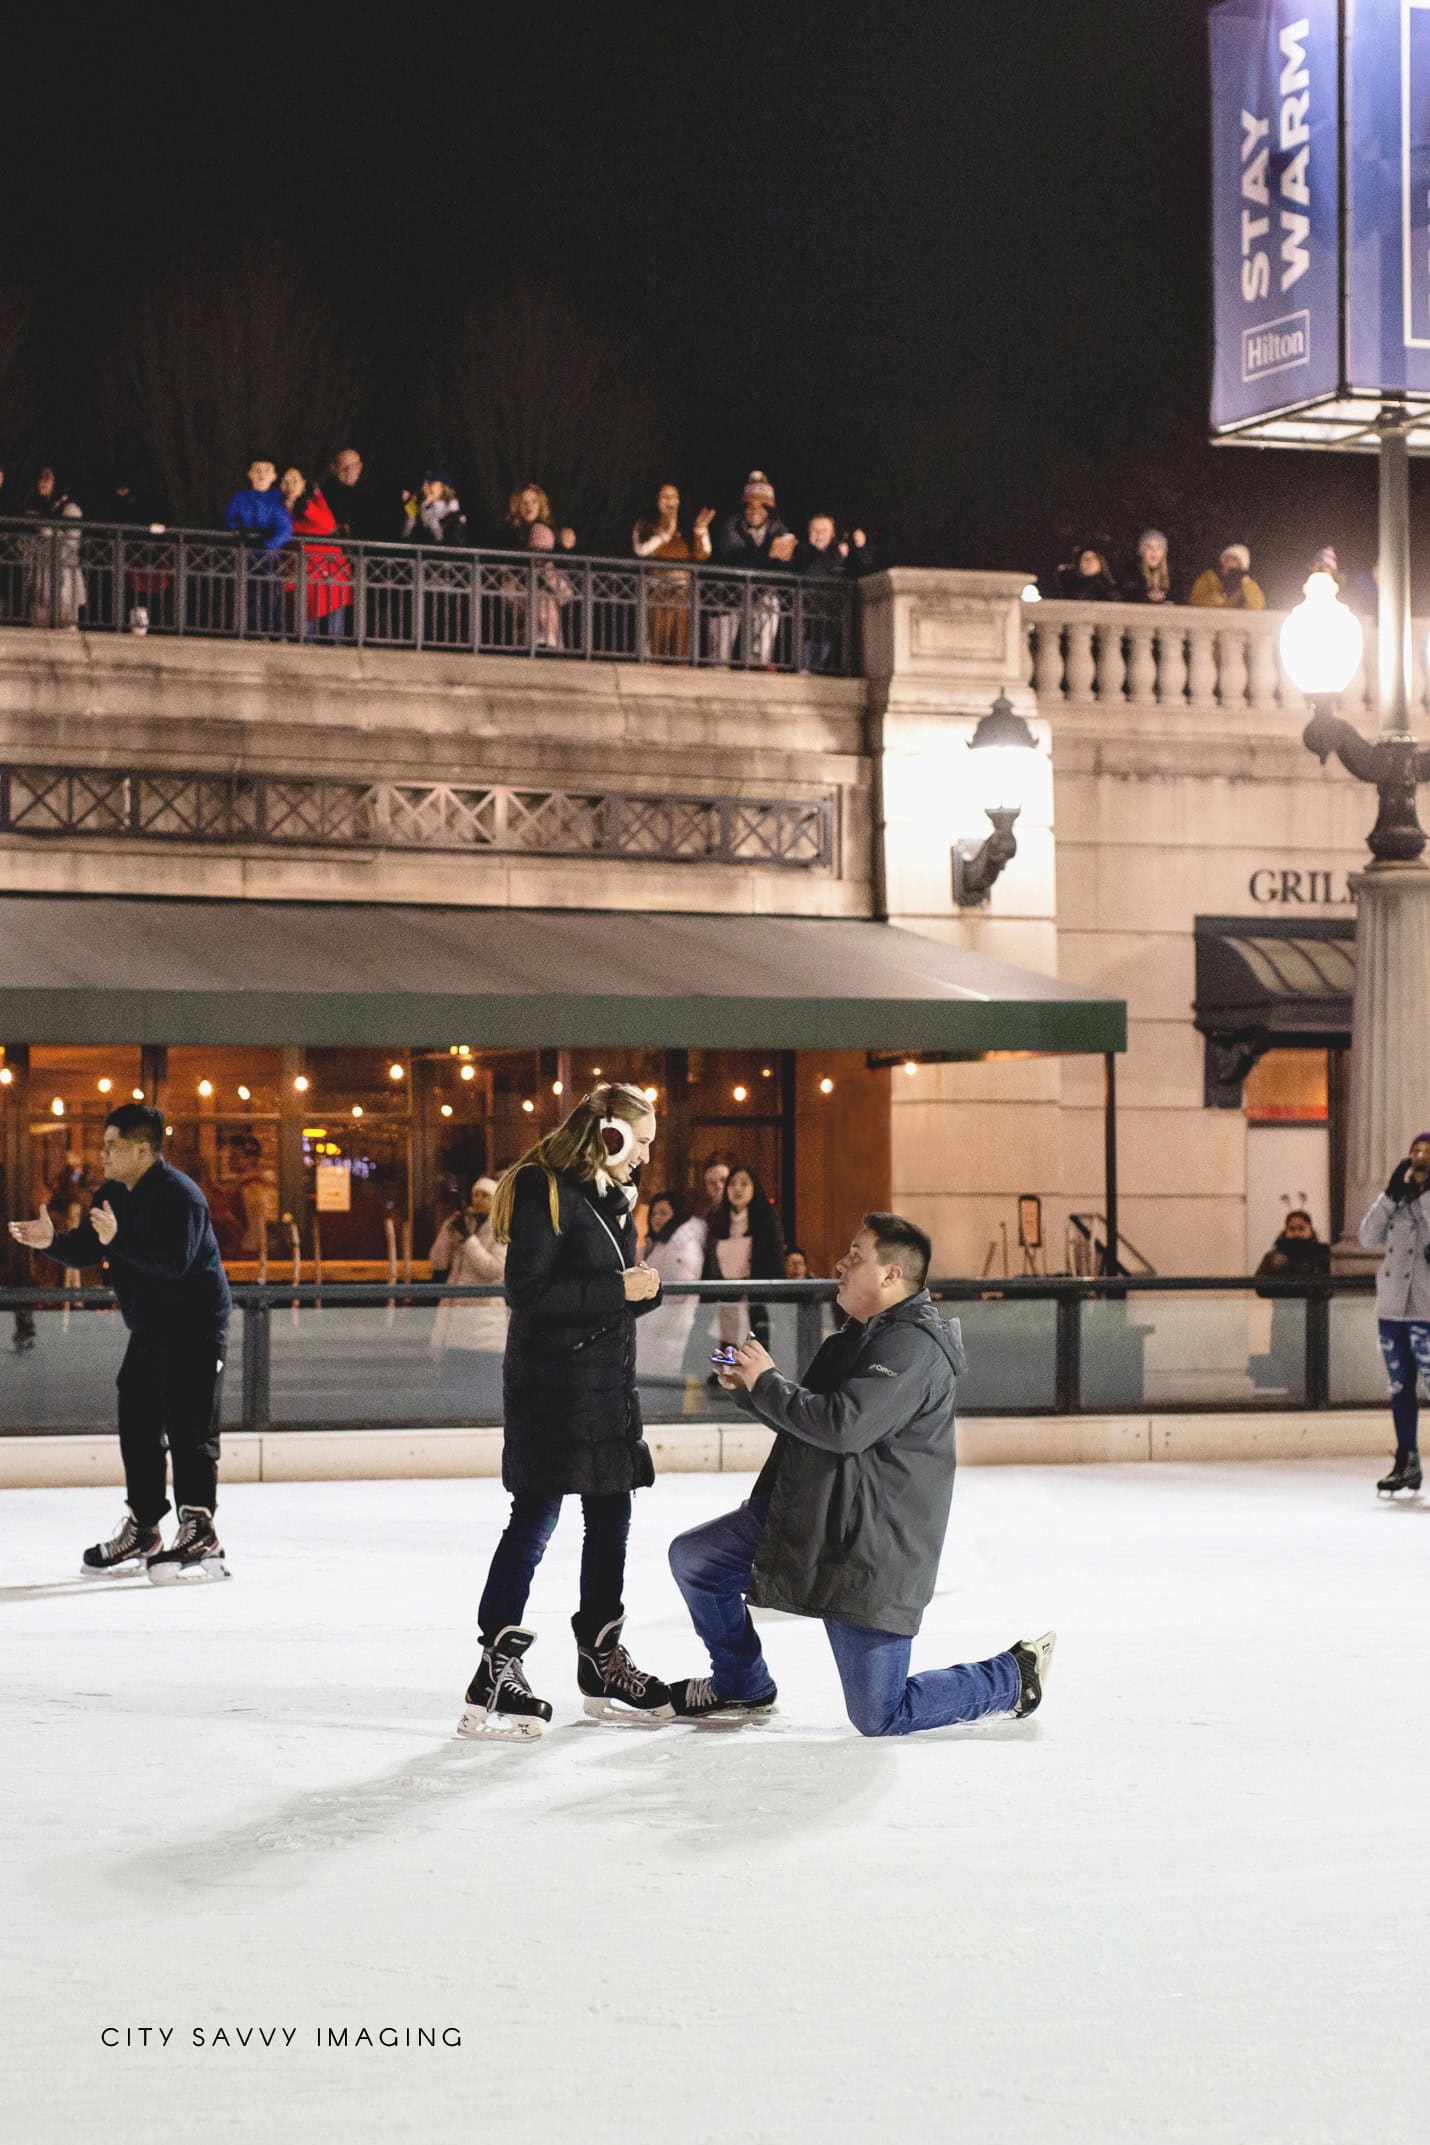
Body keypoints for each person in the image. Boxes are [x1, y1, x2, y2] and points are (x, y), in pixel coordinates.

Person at [665, 1212, 1054, 1729]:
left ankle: (1010, 1677)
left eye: (856, 1256)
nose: (841, 1265)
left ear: (892, 1275)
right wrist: (751, 1389)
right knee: (697, 1560)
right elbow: (817, 1421)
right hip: (814, 1513)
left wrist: (768, 1383)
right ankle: (742, 1683)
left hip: (868, 1544)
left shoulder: (914, 1347)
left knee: (879, 1714)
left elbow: (844, 1426)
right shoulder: (857, 1338)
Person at [457, 1083, 673, 1737]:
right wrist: (617, 1287)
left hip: (604, 1387)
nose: (642, 1159)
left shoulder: (609, 1199)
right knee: (536, 1518)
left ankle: (601, 1658)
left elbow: (595, 1293)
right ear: (608, 1135)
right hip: (554, 1390)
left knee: (612, 1513)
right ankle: (493, 1670)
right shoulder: (547, 1191)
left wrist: (635, 1293)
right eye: (639, 1143)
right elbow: (527, 1290)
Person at [8, 1102, 233, 1581]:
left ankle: (200, 1528)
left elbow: (175, 1263)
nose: (103, 1154)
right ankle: (145, 1526)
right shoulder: (113, 1193)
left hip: (196, 1328)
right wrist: (51, 1243)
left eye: (113, 1146)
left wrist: (119, 1240)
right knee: (138, 1420)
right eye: (104, 1144)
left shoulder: (182, 1197)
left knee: (189, 1426)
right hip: (151, 1328)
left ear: (143, 1150)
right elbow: (92, 1248)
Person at [1358, 1136, 1430, 1497]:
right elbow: (1367, 1238)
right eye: (1416, 1153)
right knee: (1400, 1386)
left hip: (1427, 1308)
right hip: (1392, 1309)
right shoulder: (1397, 1203)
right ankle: (1407, 1461)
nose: (1420, 1160)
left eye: (1427, 1154)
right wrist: (1389, 1195)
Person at [430, 1177, 507, 1419]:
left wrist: (469, 1241)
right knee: (457, 1392)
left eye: (485, 1195)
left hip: (485, 1330)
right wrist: (448, 1232)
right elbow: (438, 1261)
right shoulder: (464, 1225)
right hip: (456, 1326)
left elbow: (494, 1270)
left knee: (484, 1392)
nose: (479, 1200)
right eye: (476, 1194)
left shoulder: (501, 1230)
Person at [709, 471, 797, 665]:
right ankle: (718, 667)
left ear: (769, 510)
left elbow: (786, 567)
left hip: (760, 592)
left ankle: (759, 659)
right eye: (750, 506)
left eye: (761, 507)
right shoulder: (731, 527)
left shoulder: (778, 529)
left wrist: (786, 555)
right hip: (728, 594)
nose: (754, 511)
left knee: (771, 604)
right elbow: (735, 558)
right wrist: (769, 554)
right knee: (719, 656)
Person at [702, 1163, 786, 1355]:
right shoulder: (717, 1221)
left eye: (744, 1183)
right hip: (723, 1305)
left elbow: (774, 1266)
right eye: (733, 1184)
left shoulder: (767, 1221)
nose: (737, 1189)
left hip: (757, 1305)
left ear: (754, 1188)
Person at [1251, 1209, 1329, 1394]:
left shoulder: (1322, 1255)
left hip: (1315, 1319)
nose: (1296, 1233)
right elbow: (1261, 1286)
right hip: (1285, 1319)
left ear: (1310, 1229)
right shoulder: (1275, 1257)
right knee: (1288, 1359)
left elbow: (1328, 1286)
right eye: (1292, 1228)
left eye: (1301, 1228)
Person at [631, 483, 714, 659]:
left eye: (673, 497)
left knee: (680, 645)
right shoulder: (645, 524)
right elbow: (642, 550)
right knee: (655, 642)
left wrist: (700, 530)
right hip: (656, 591)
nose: (669, 501)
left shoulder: (686, 526)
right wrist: (665, 535)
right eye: (664, 496)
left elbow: (703, 554)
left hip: (682, 593)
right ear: (657, 500)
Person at [637, 1190, 706, 1384]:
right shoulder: (654, 1245)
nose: (656, 1218)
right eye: (654, 1213)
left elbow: (680, 1288)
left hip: (668, 1330)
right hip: (653, 1331)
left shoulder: (681, 1244)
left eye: (663, 1213)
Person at [498, 483, 576, 651]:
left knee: (543, 599)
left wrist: (564, 540)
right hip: (518, 584)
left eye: (534, 501)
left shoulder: (547, 529)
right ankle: (532, 640)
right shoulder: (510, 531)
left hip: (544, 583)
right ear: (517, 506)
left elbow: (566, 559)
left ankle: (546, 640)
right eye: (525, 502)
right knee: (537, 601)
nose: (529, 506)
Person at [279, 465, 353, 641]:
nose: (290, 485)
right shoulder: (277, 508)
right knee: (304, 631)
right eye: (286, 481)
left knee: (333, 631)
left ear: (304, 484)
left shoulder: (314, 501)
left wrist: (303, 505)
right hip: (301, 574)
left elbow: (327, 525)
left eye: (295, 481)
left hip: (329, 574)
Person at [223, 459, 292, 637]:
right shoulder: (240, 497)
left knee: (269, 595)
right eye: (258, 470)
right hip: (244, 554)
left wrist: (267, 544)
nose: (262, 475)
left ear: (274, 476)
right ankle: (246, 631)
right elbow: (230, 518)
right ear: (249, 474)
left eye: (267, 471)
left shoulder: (276, 499)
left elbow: (285, 528)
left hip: (268, 556)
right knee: (245, 594)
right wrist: (238, 530)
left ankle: (269, 632)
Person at [794, 513, 872, 671]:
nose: (819, 535)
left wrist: (861, 548)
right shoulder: (802, 551)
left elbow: (866, 569)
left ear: (832, 534)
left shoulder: (841, 552)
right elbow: (811, 575)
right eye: (814, 530)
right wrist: (836, 557)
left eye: (824, 530)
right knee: (805, 671)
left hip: (835, 624)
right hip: (807, 622)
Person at [324, 447, 389, 544]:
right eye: (344, 468)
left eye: (354, 466)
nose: (349, 471)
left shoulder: (368, 494)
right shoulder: (326, 491)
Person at [1189, 543, 1266, 610]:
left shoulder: (1247, 584)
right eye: (1227, 557)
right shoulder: (1209, 577)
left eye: (1234, 559)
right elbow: (1194, 601)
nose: (1228, 561)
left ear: (1241, 565)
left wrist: (1246, 584)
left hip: (1235, 624)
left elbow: (1257, 606)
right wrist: (1219, 597)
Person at [1122, 528, 1175, 605]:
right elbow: (1128, 594)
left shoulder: (1173, 574)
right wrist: (1146, 597)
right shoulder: (1132, 573)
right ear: (1142, 551)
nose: (1154, 551)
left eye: (1158, 547)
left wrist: (1165, 598)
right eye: (1149, 547)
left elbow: (1180, 596)